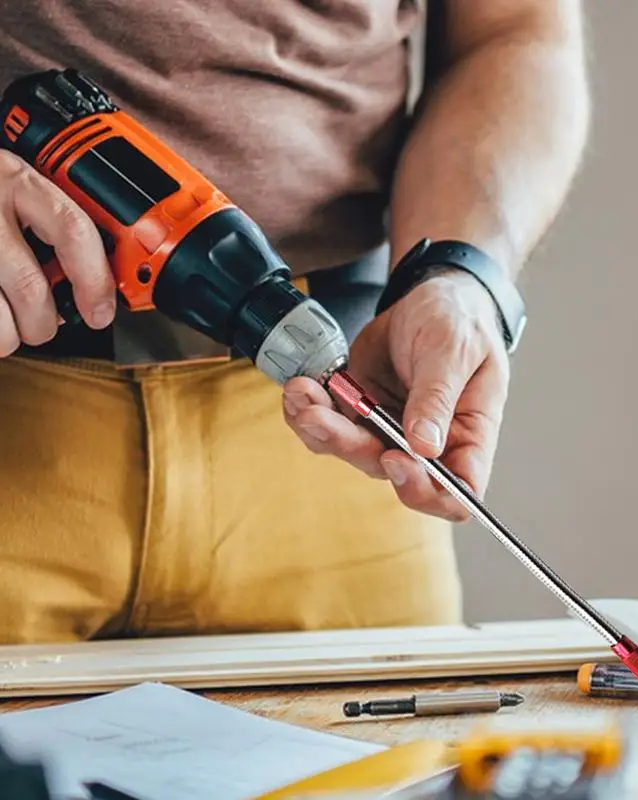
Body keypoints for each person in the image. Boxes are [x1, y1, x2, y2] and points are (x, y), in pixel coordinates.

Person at [0, 1, 589, 644]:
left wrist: (461, 276)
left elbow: (513, 32)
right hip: (18, 414)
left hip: (336, 452)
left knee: (398, 741)